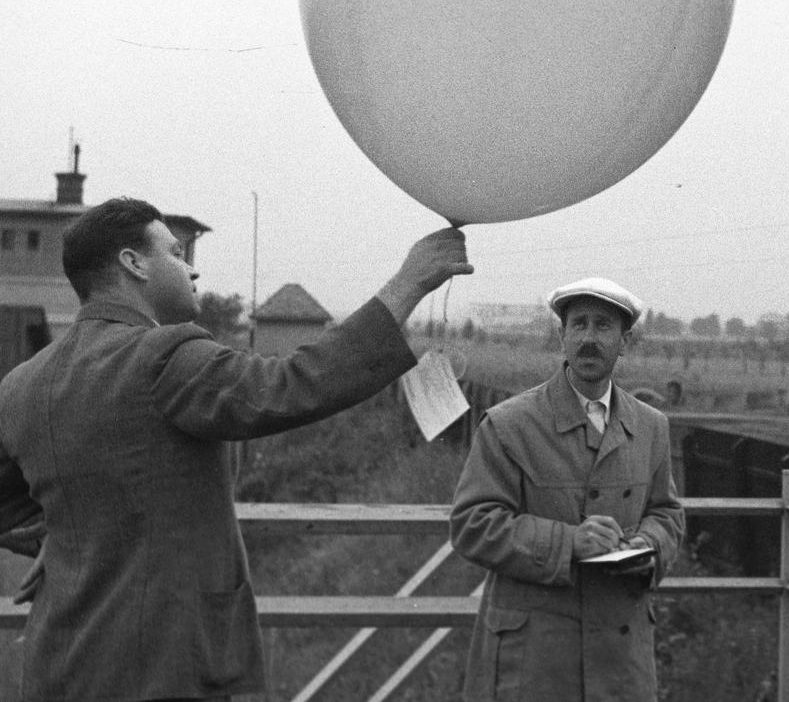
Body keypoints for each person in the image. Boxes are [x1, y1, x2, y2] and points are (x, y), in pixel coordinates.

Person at [0, 196, 472, 702]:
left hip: (57, 664)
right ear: (132, 263)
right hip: (162, 668)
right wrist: (410, 283)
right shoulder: (165, 356)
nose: (191, 271)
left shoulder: (22, 384)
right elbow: (293, 383)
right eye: (176, 253)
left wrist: (64, 535)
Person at [451, 276, 684, 701]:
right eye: (578, 325)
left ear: (625, 341)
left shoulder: (652, 427)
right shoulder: (509, 425)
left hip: (620, 661)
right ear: (562, 336)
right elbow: (473, 524)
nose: (589, 339)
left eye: (603, 326)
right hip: (535, 664)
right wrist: (569, 542)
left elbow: (667, 514)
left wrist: (646, 547)